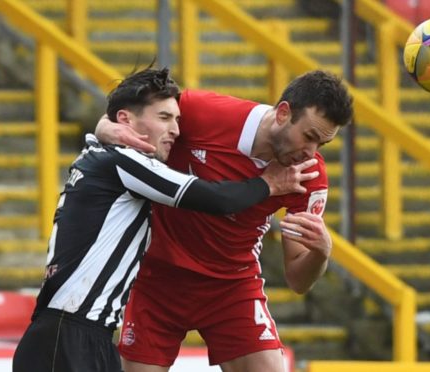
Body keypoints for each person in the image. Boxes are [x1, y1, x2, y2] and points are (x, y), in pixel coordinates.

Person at [12, 66, 319, 372]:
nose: (176, 129)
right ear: (125, 121)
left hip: (89, 332)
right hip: (67, 331)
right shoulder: (126, 162)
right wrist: (269, 184)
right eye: (164, 118)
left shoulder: (103, 154)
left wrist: (105, 124)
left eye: (177, 119)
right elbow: (216, 199)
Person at [96, 69, 354, 372]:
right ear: (283, 113)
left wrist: (321, 253)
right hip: (157, 279)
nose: (311, 152)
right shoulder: (201, 111)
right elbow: (121, 119)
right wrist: (105, 129)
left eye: (321, 145)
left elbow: (298, 279)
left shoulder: (308, 175)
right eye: (309, 137)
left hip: (231, 287)